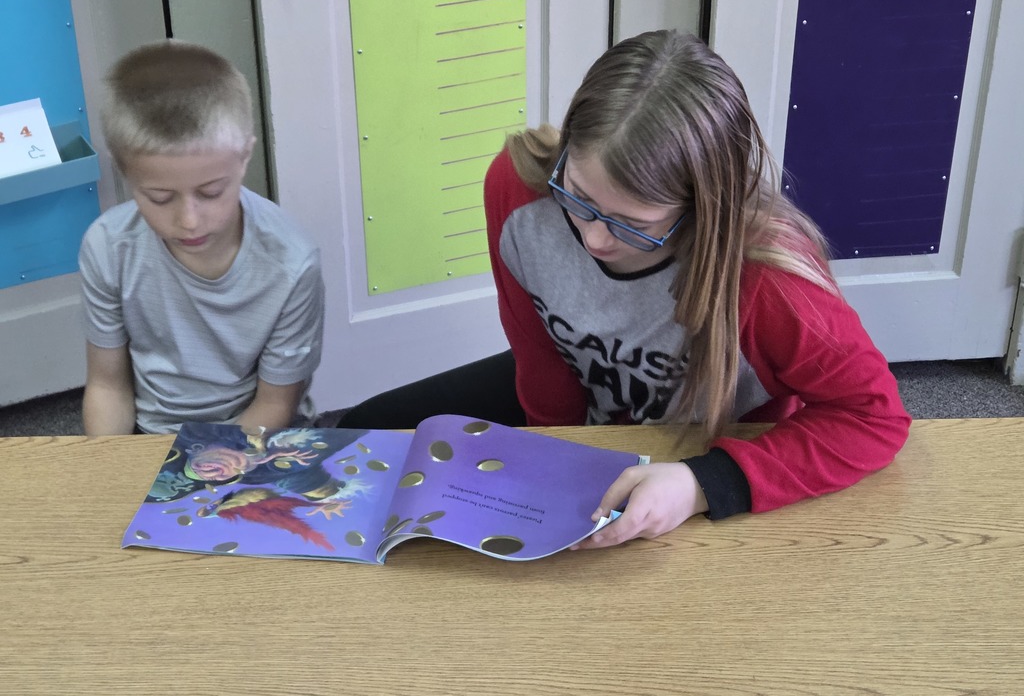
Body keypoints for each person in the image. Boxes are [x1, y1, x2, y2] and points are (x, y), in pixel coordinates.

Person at [334, 30, 910, 548]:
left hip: (711, 442)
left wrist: (703, 484)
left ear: (706, 206)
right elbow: (539, 349)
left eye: (634, 223)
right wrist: (553, 460)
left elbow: (875, 418)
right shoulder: (516, 190)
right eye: (578, 197)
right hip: (585, 400)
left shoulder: (774, 283)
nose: (593, 239)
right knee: (361, 432)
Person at [79, 40, 325, 436]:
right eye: (159, 198)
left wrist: (192, 478)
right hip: (154, 436)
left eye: (211, 192)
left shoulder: (292, 263)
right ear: (125, 173)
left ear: (245, 157)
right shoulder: (108, 247)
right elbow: (108, 387)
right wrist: (112, 474)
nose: (188, 221)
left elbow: (276, 404)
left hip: (259, 436)